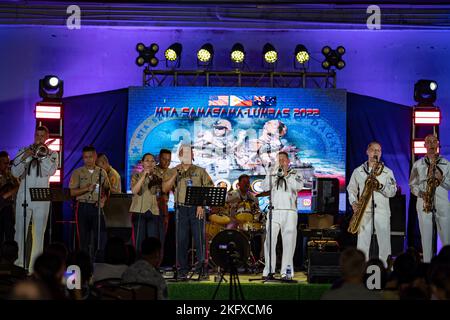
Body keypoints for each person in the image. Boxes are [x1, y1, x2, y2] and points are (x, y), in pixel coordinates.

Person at [162, 144, 213, 279]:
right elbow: (165, 188)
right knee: (182, 240)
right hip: (181, 208)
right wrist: (175, 174)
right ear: (179, 156)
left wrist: (201, 204)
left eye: (190, 153)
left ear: (193, 155)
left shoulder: (200, 171)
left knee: (199, 239)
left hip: (197, 208)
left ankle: (202, 268)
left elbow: (210, 187)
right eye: (184, 153)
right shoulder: (173, 171)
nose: (187, 156)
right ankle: (182, 269)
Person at [11, 126, 58, 270]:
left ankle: (34, 269)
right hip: (24, 195)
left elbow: (50, 171)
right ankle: (19, 265)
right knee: (20, 230)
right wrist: (27, 156)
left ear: (47, 137)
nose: (39, 138)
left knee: (38, 233)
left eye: (42, 135)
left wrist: (41, 156)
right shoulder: (24, 151)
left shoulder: (52, 154)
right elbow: (14, 172)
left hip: (41, 197)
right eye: (37, 135)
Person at [347, 141, 397, 266]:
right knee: (362, 243)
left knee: (384, 242)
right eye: (373, 150)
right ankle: (361, 270)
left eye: (378, 150)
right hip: (364, 211)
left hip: (382, 211)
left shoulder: (387, 172)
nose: (376, 153)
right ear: (367, 152)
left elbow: (392, 192)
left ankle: (385, 269)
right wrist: (353, 202)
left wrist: (379, 186)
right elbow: (351, 189)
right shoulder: (358, 171)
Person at [261, 151, 304, 280]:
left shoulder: (296, 174)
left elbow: (298, 187)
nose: (281, 162)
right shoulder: (272, 172)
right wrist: (273, 174)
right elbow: (264, 187)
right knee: (269, 242)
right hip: (274, 211)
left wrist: (286, 175)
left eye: (283, 159)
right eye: (278, 159)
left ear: (288, 161)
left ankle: (286, 272)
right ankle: (269, 271)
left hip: (290, 212)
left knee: (289, 242)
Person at [409, 134, 450, 263]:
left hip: (442, 204)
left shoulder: (446, 164)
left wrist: (441, 179)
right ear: (424, 145)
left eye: (434, 142)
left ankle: (446, 266)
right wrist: (421, 194)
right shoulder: (418, 164)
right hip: (424, 203)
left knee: (446, 239)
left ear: (438, 145)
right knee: (426, 238)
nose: (432, 145)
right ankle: (427, 265)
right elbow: (412, 185)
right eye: (429, 142)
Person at [69, 146, 110, 259]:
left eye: (90, 157)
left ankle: (99, 263)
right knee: (83, 238)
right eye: (85, 157)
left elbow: (107, 190)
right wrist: (86, 189)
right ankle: (84, 263)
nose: (88, 160)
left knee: (100, 237)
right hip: (82, 206)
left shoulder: (102, 172)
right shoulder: (77, 172)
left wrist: (103, 200)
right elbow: (72, 192)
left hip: (96, 207)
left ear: (95, 157)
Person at [129, 153, 164, 256]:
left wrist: (153, 178)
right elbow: (135, 190)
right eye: (147, 160)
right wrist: (144, 175)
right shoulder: (136, 176)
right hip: (139, 212)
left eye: (152, 161)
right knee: (139, 242)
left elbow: (156, 192)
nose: (150, 163)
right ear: (142, 163)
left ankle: (152, 266)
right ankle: (139, 266)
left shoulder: (157, 177)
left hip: (153, 211)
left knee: (153, 243)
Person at [0, 151, 19, 243]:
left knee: (10, 234)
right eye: (5, 163)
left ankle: (9, 255)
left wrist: (9, 193)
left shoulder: (10, 173)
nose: (8, 165)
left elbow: (18, 185)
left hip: (7, 207)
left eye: (8, 162)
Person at [154, 149, 172, 244]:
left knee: (161, 238)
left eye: (169, 160)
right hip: (151, 207)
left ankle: (158, 258)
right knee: (152, 237)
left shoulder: (172, 173)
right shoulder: (153, 170)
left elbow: (177, 190)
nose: (167, 162)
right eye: (164, 159)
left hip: (163, 208)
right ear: (159, 158)